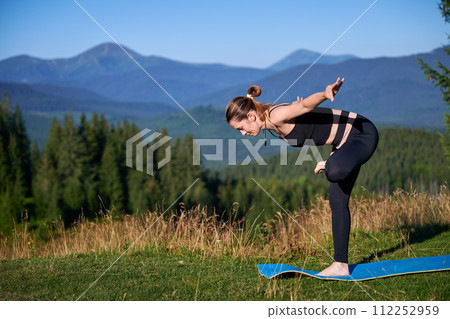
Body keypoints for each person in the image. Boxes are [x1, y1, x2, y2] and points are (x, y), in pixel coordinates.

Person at [225, 78, 379, 276]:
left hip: (361, 133)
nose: (243, 134)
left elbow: (307, 104)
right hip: (343, 142)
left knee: (334, 172)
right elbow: (307, 116)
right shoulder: (270, 117)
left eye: (241, 128)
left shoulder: (276, 115)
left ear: (251, 116)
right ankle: (341, 265)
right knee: (337, 201)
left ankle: (330, 163)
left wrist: (324, 94)